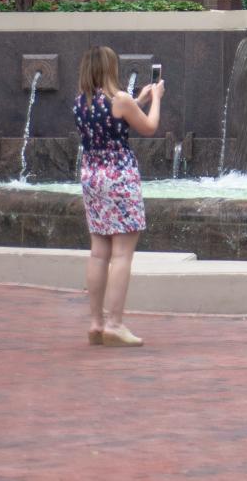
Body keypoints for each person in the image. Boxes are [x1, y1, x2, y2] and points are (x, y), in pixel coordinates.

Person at [74, 45, 161, 347]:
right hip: (119, 176)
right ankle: (115, 323)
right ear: (110, 68)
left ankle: (96, 323)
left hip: (91, 175)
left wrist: (140, 100)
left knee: (99, 251)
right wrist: (156, 99)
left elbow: (113, 118)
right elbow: (149, 127)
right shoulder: (120, 99)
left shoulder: (81, 102)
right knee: (122, 253)